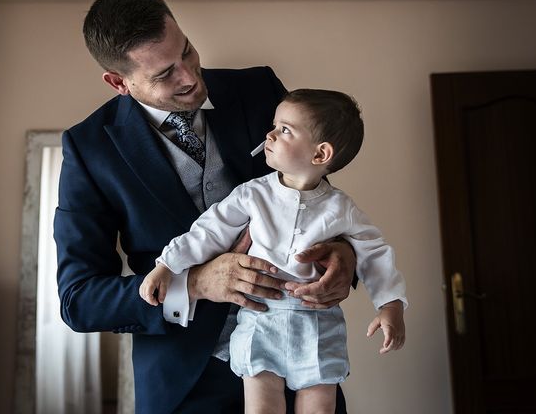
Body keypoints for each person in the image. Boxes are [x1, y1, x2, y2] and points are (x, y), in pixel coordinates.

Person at [54, 0, 357, 414]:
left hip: (300, 361)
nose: (190, 77)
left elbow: (318, 192)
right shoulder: (88, 149)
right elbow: (79, 300)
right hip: (186, 387)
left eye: (188, 52)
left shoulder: (258, 90)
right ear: (118, 82)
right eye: (164, 74)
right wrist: (194, 284)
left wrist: (344, 254)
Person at [140, 89, 407, 414]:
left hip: (318, 325)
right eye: (275, 125)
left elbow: (374, 253)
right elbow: (209, 231)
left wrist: (390, 305)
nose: (269, 134)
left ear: (320, 154)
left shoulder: (341, 208)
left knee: (320, 409)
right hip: (261, 318)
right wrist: (167, 264)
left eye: (285, 130)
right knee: (262, 408)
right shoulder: (252, 195)